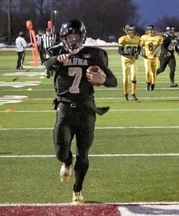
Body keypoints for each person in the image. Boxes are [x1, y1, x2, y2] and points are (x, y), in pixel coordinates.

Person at [44, 20, 117, 205]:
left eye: (76, 36)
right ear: (64, 38)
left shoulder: (95, 54)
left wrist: (102, 80)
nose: (73, 39)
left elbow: (113, 80)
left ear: (82, 36)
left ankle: (77, 190)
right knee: (61, 152)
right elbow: (47, 64)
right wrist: (56, 60)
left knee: (83, 153)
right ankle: (66, 162)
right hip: (65, 108)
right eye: (70, 36)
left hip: (86, 109)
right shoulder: (57, 52)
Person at [118, 24, 141, 101]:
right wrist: (127, 53)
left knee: (134, 77)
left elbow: (139, 48)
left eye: (132, 30)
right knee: (125, 78)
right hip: (125, 60)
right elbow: (120, 51)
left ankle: (133, 94)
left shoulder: (138, 39)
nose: (131, 32)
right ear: (126, 31)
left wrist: (138, 53)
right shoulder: (123, 39)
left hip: (133, 61)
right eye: (129, 30)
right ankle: (125, 94)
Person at [140, 25, 163, 91]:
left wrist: (154, 54)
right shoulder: (144, 37)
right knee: (147, 71)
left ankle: (153, 84)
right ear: (147, 31)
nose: (151, 31)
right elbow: (141, 46)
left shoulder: (158, 37)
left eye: (152, 30)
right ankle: (148, 83)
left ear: (155, 30)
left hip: (155, 57)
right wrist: (142, 53)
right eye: (149, 30)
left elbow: (159, 47)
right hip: (147, 57)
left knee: (153, 72)